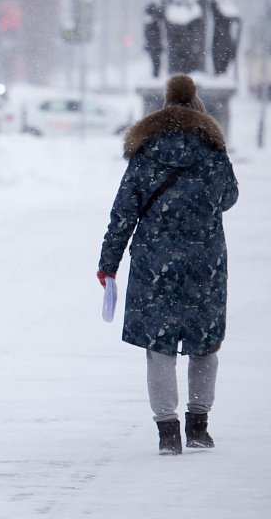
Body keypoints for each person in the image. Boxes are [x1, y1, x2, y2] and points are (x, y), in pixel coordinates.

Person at [97, 75, 238, 456]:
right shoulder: (211, 151)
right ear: (197, 106)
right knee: (203, 342)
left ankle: (167, 432)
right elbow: (229, 198)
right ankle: (199, 424)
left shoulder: (146, 151)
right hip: (204, 261)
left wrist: (108, 264)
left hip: (153, 260)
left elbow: (123, 213)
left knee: (159, 346)